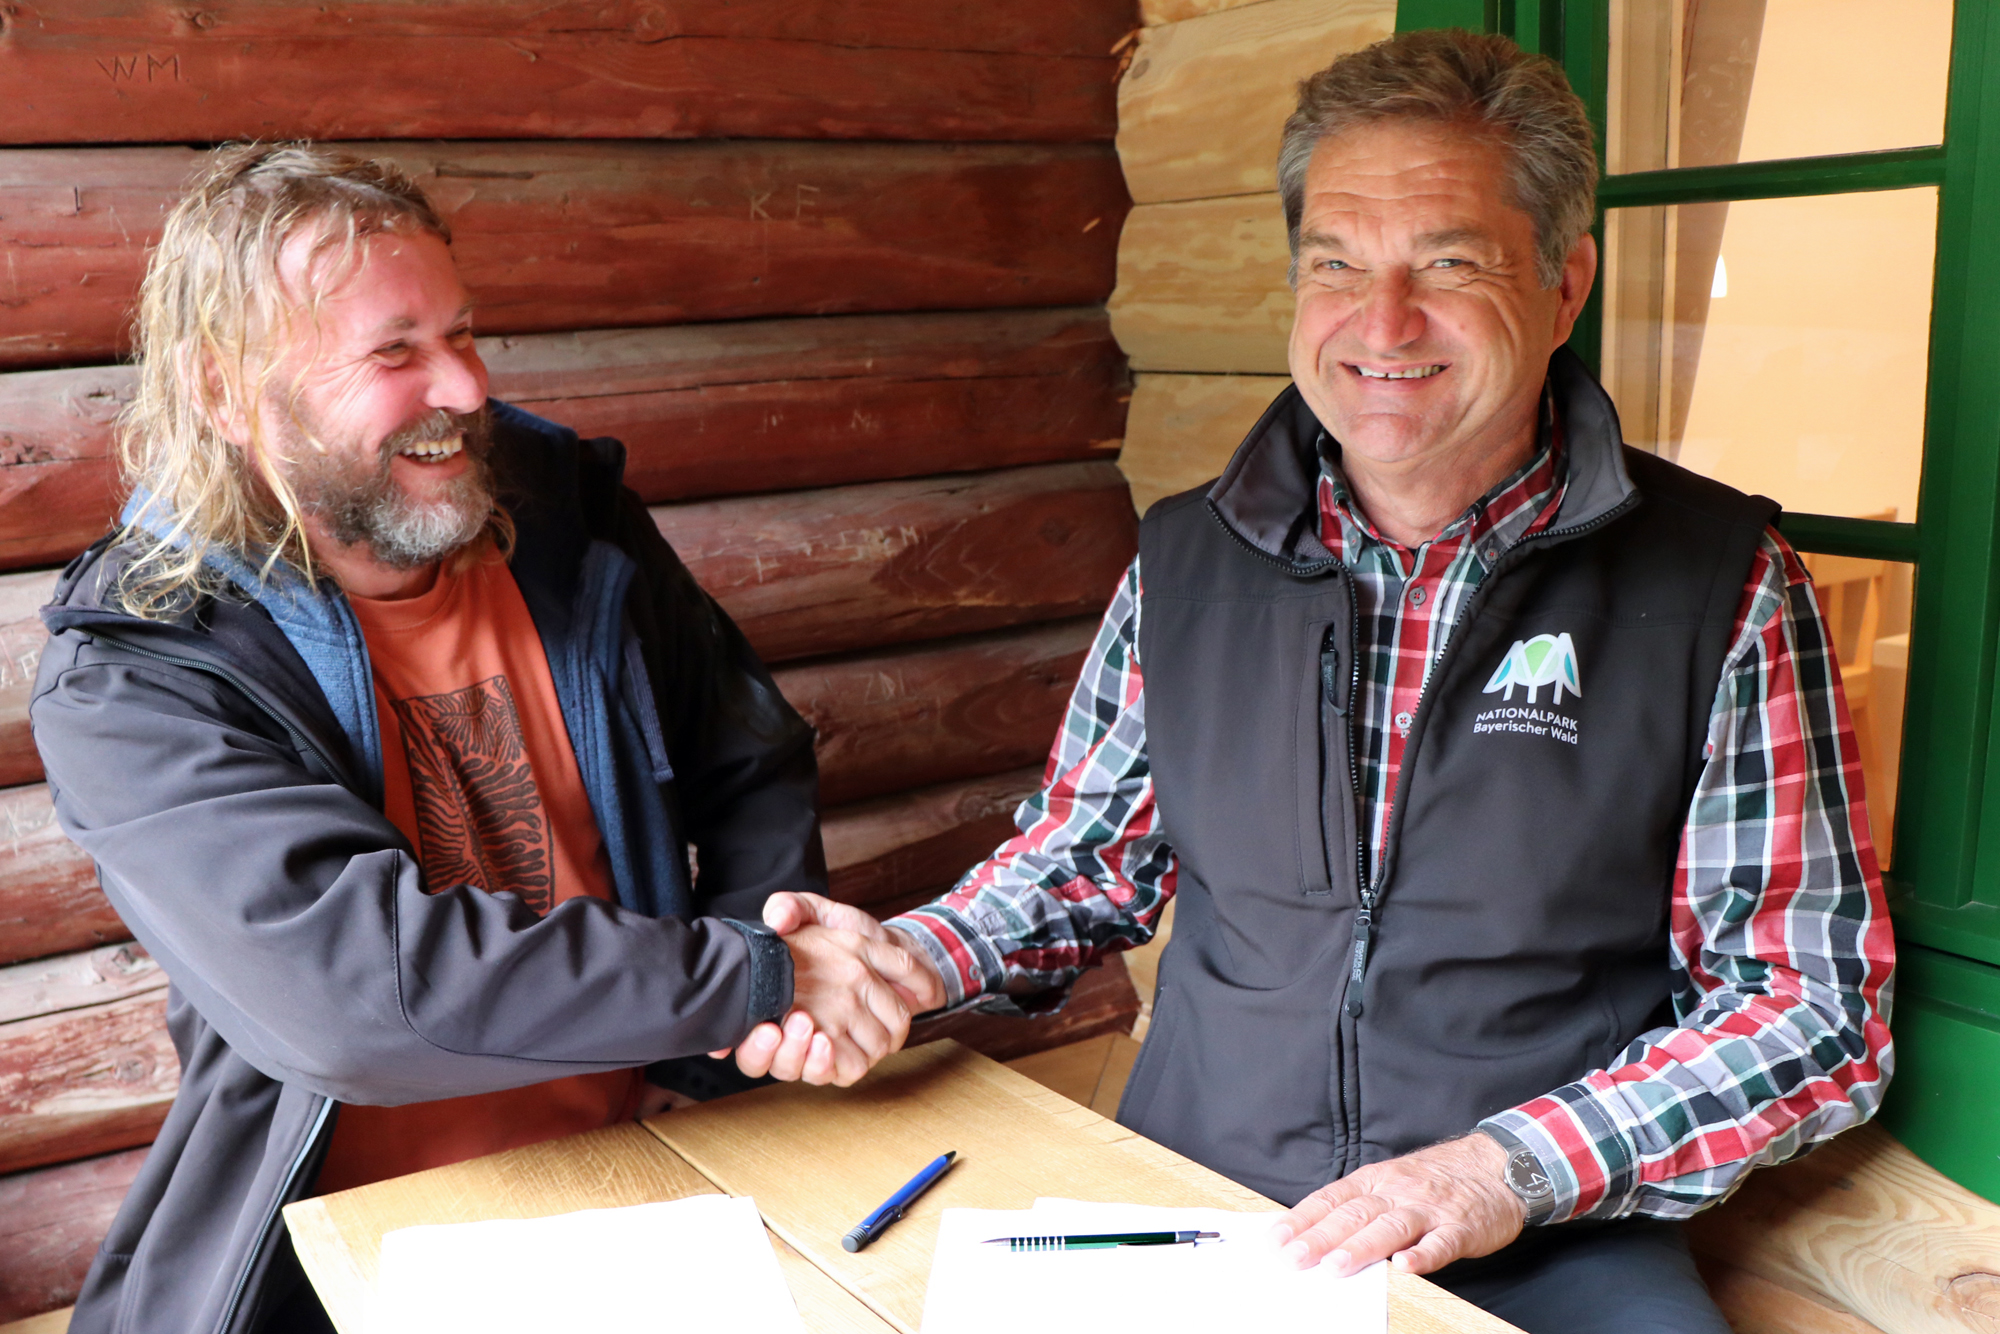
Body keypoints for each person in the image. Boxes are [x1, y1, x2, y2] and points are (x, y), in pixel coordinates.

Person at [723, 30, 1895, 1333]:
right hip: (1202, 1203)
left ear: (1566, 286)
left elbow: (1808, 1002)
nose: (1380, 325)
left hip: (1549, 1233)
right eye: (1335, 263)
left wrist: (1505, 1168)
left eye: (1446, 266)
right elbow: (1082, 863)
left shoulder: (1718, 582)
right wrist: (904, 962)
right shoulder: (1188, 559)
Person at [30, 144, 929, 1334]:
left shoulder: (559, 507)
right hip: (344, 1249)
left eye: (464, 332)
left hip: (653, 1180)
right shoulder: (140, 661)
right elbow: (351, 997)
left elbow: (745, 749)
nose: (463, 387)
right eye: (394, 352)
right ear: (223, 390)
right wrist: (747, 979)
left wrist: (745, 1024)